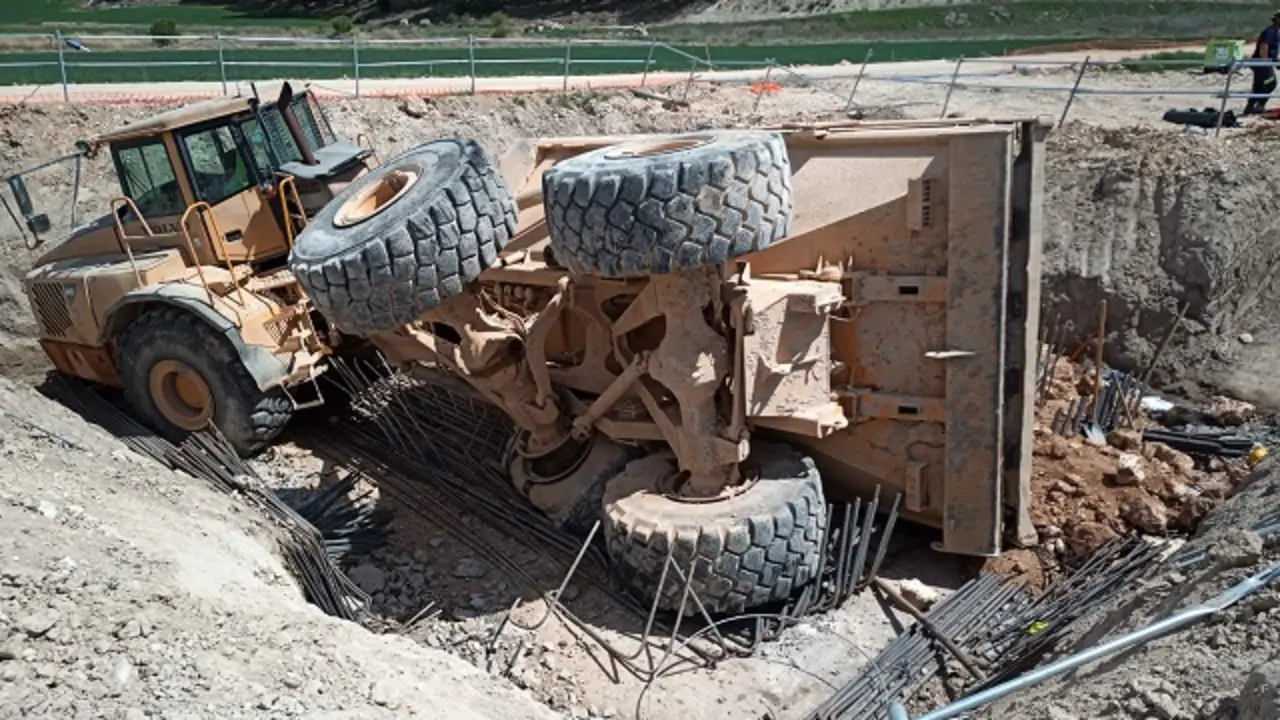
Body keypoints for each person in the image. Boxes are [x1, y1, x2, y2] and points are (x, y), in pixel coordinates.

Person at [1245, 11, 1280, 114]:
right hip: (1261, 62)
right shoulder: (1271, 31)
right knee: (1271, 83)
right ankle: (1259, 105)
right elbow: (1264, 46)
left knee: (1258, 86)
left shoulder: (1275, 31)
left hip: (1262, 61)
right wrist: (1265, 62)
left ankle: (1250, 107)